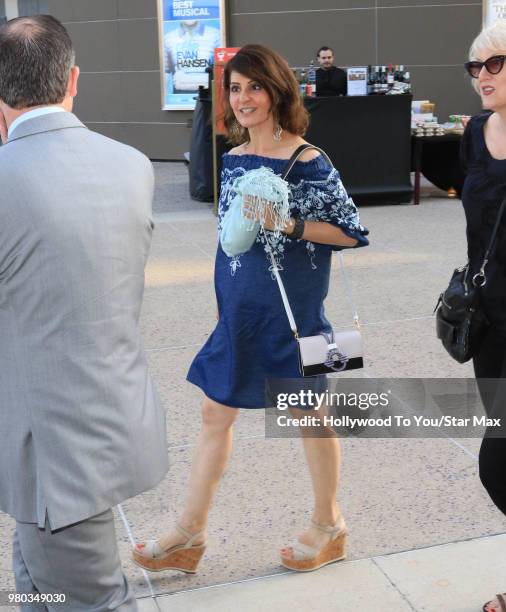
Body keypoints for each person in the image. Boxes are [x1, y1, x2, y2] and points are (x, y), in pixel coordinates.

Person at [133, 43, 368, 574]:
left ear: (277, 91)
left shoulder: (308, 160)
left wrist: (287, 225)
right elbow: (230, 244)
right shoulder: (233, 159)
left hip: (295, 318)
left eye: (253, 87)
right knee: (215, 411)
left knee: (311, 417)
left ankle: (329, 525)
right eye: (234, 88)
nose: (243, 98)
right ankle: (189, 533)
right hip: (239, 315)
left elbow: (351, 234)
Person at [0, 15, 168, 610]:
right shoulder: (132, 164)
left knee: (90, 598)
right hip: (111, 414)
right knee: (36, 588)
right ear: (73, 80)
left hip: (50, 452)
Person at [461, 20, 506, 612]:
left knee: (500, 465)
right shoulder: (474, 135)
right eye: (474, 67)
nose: (481, 76)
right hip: (490, 328)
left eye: (494, 63)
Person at [164, 19, 220, 94]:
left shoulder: (215, 35)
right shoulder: (168, 38)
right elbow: (166, 72)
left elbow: (221, 69)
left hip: (207, 96)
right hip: (179, 98)